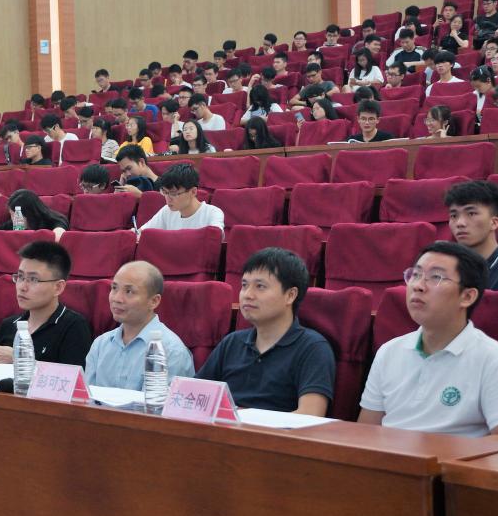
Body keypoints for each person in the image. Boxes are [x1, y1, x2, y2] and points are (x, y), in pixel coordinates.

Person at [358, 242, 498, 443]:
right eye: (415, 274)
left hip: (454, 463)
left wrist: (433, 454)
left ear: (467, 296)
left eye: (436, 277)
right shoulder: (388, 352)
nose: (418, 286)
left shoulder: (495, 360)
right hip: (388, 460)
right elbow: (366, 431)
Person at [197, 248, 336, 415]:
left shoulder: (313, 348)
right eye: (244, 285)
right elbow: (193, 397)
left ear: (290, 295)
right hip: (225, 429)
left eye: (260, 286)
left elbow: (310, 416)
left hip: (276, 432)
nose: (247, 295)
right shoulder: (232, 342)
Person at [84, 261, 194, 389]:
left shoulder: (171, 352)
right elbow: (86, 397)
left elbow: (157, 402)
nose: (117, 299)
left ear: (154, 301)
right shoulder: (100, 345)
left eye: (129, 291)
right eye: (114, 288)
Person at [0, 241, 92, 367]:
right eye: (20, 277)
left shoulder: (73, 326)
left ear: (58, 287)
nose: (22, 287)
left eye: (33, 279)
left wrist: (20, 359)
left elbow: (73, 377)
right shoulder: (9, 325)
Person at [445, 180, 498, 289]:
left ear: (494, 223)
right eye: (454, 216)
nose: (460, 223)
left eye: (471, 213)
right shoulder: (445, 268)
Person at [140, 164, 225, 235]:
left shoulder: (213, 213)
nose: (168, 198)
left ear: (193, 192)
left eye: (173, 193)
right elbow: (142, 233)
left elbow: (215, 238)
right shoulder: (167, 211)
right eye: (165, 192)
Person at [0, 189, 68, 240]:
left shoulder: (57, 221)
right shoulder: (16, 222)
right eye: (12, 214)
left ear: (29, 213)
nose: (13, 219)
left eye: (16, 215)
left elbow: (56, 240)